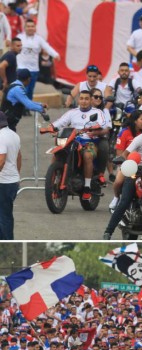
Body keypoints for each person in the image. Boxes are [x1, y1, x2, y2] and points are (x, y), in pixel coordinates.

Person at [50, 90, 107, 201]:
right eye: (81, 98)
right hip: (72, 141)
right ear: (78, 100)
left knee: (87, 156)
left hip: (89, 142)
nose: (84, 101)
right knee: (57, 151)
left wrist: (94, 127)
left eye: (86, 99)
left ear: (90, 100)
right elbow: (60, 122)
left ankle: (87, 187)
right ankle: (52, 180)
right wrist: (50, 127)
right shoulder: (72, 112)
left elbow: (102, 124)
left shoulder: (97, 112)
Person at [16, 19, 60, 100]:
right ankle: (21, 109)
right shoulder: (19, 37)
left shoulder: (39, 39)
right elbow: (13, 48)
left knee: (30, 91)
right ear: (24, 27)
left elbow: (47, 47)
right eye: (28, 26)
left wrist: (55, 54)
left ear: (35, 28)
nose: (30, 28)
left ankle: (27, 109)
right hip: (21, 68)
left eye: (32, 26)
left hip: (33, 70)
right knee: (23, 90)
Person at [0, 111, 20, 240]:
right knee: (6, 214)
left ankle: (7, 240)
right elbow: (19, 156)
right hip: (12, 181)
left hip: (3, 182)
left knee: (3, 217)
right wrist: (17, 175)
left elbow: (1, 160)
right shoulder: (14, 135)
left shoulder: (1, 137)